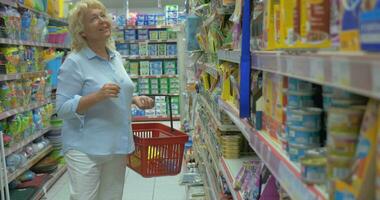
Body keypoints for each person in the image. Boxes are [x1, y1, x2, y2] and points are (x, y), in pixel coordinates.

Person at [56, 0, 154, 199]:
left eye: (103, 15)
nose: (102, 20)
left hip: (117, 144)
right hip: (86, 148)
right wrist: (96, 96)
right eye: (94, 18)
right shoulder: (75, 62)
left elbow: (118, 89)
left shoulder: (115, 56)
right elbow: (63, 108)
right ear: (82, 31)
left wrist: (134, 99)